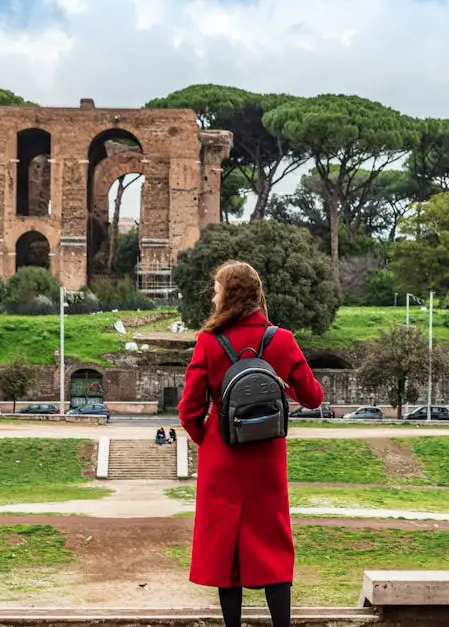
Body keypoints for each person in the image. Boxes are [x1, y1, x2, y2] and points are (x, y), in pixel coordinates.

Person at [178, 260, 324, 627]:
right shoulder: (282, 340)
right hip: (267, 457)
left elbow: (189, 411)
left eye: (216, 291)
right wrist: (280, 384)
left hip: (222, 457)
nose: (213, 297)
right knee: (273, 541)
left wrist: (209, 439)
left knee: (226, 547)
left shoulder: (209, 342)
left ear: (229, 295)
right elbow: (313, 397)